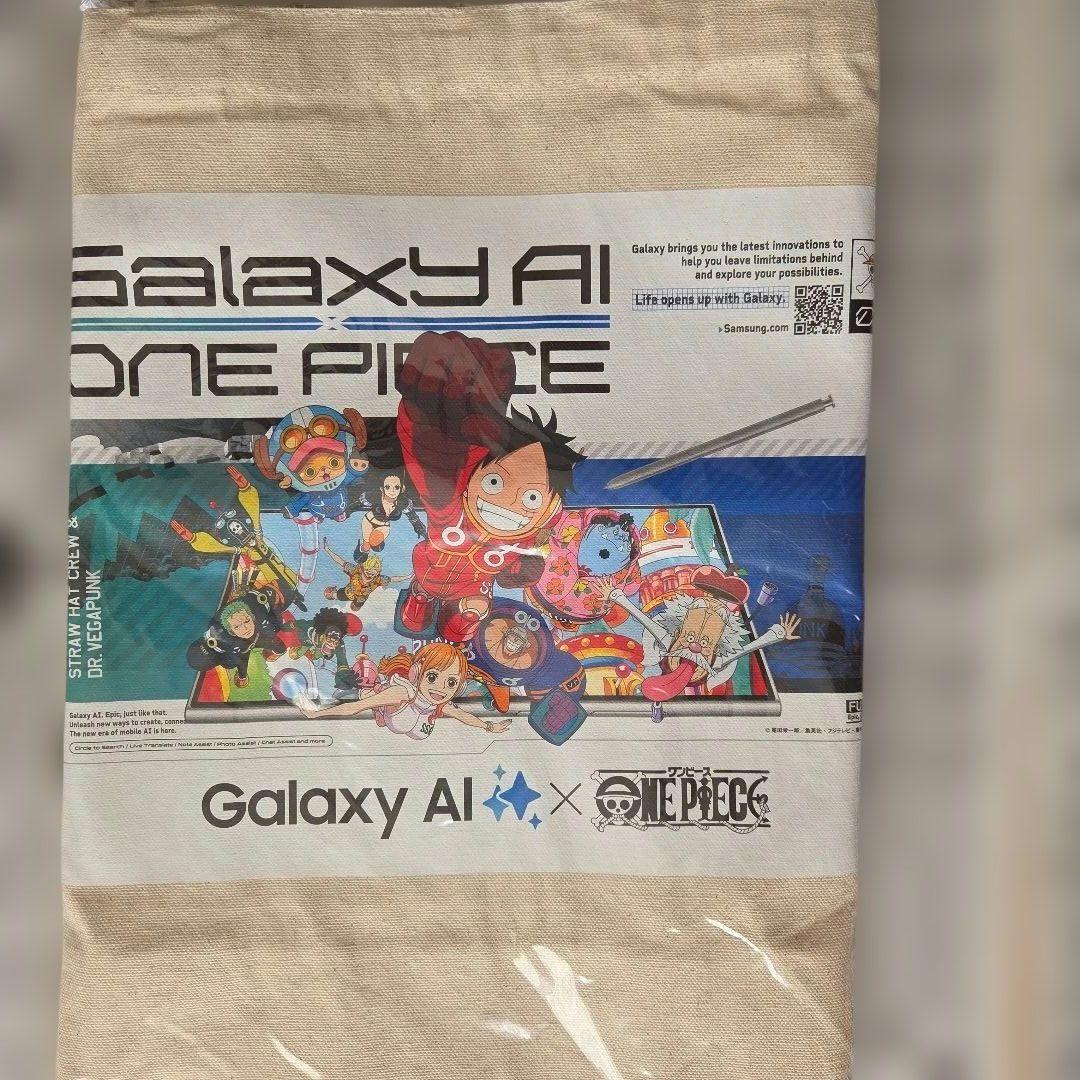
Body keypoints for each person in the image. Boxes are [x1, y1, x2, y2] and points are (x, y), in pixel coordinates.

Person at [394, 331, 584, 642]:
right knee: (418, 611)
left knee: (471, 616)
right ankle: (420, 597)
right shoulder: (452, 507)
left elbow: (519, 567)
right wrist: (436, 413)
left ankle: (456, 620)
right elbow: (433, 456)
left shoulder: (522, 536)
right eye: (494, 482)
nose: (507, 502)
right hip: (431, 571)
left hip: (472, 585)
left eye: (532, 497)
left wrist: (522, 569)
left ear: (549, 507)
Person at [300, 642, 511, 741]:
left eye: (451, 682)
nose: (440, 688)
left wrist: (489, 726)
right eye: (432, 677)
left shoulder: (439, 703)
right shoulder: (403, 693)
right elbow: (355, 707)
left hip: (410, 725)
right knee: (366, 695)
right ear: (417, 672)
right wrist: (315, 714)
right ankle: (371, 687)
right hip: (386, 703)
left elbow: (462, 715)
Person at [351, 470, 425, 559]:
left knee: (375, 543)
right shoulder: (374, 497)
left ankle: (373, 547)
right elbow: (357, 503)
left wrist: (420, 529)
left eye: (396, 487)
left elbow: (413, 518)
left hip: (384, 527)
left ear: (401, 488)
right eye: (388, 487)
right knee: (366, 546)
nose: (392, 491)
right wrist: (347, 512)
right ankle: (361, 554)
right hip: (369, 521)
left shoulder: (403, 502)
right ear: (382, 488)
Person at [322, 539, 409, 612]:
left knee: (355, 608)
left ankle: (354, 604)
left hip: (361, 598)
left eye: (373, 573)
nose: (369, 575)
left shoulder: (378, 579)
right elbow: (341, 562)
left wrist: (407, 577)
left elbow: (392, 579)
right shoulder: (356, 571)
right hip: (348, 593)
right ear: (363, 569)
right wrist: (328, 550)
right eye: (367, 572)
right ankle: (333, 594)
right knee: (340, 597)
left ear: (377, 572)